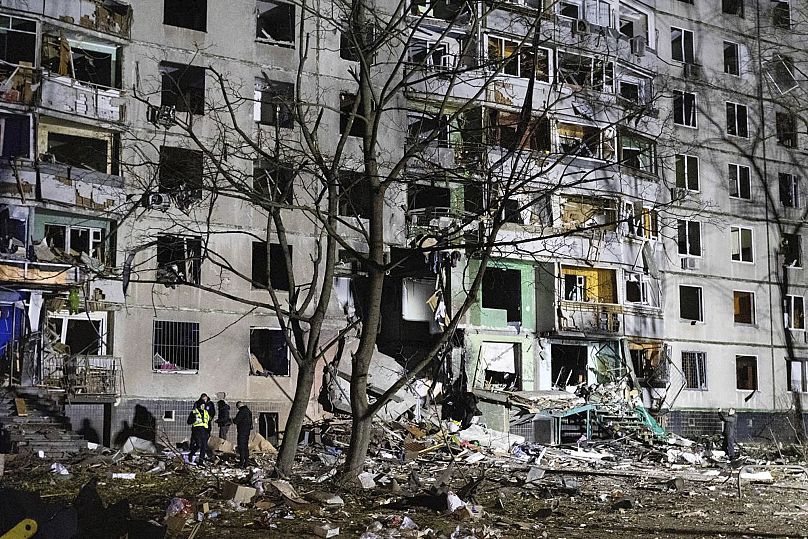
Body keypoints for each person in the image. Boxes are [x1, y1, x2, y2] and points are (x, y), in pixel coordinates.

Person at [188, 401, 210, 466]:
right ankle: (191, 453)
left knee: (204, 446)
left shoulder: (206, 412)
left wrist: (208, 431)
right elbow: (189, 421)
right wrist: (193, 419)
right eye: (202, 405)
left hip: (204, 430)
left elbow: (207, 422)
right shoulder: (194, 412)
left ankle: (201, 461)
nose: (203, 406)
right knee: (199, 444)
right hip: (197, 430)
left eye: (204, 405)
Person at [233, 401, 253, 468]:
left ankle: (242, 462)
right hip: (247, 432)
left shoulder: (241, 412)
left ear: (238, 406)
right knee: (245, 446)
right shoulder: (249, 411)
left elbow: (236, 421)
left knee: (241, 447)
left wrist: (233, 420)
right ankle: (246, 461)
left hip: (242, 431)